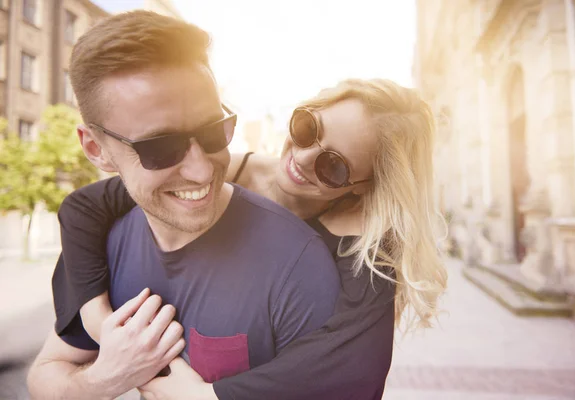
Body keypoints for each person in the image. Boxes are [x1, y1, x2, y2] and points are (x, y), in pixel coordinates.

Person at [49, 72, 447, 399]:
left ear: (362, 185)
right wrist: (96, 317)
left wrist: (206, 397)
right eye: (308, 128)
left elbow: (351, 366)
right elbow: (83, 207)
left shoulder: (364, 243)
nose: (303, 158)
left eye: (335, 166)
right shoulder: (222, 176)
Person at [26, 10, 342, 400]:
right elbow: (45, 374)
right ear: (96, 149)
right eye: (161, 147)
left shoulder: (297, 265)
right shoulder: (101, 246)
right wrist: (105, 378)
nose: (201, 170)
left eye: (214, 131)